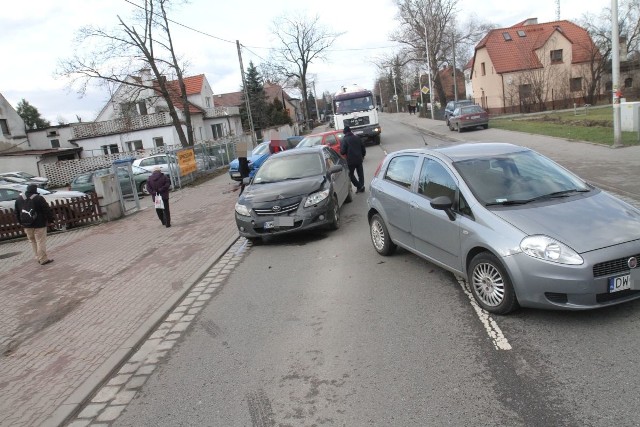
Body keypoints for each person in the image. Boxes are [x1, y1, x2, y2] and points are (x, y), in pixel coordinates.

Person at [14, 184, 55, 265]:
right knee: (40, 241)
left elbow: (16, 213)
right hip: (39, 224)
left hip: (26, 225)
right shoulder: (39, 198)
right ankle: (43, 259)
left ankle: (37, 257)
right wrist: (51, 219)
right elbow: (46, 210)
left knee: (32, 241)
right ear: (35, 190)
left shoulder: (18, 199)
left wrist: (21, 223)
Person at [340, 126, 367, 193]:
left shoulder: (344, 140)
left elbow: (342, 152)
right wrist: (363, 155)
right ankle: (361, 186)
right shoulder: (357, 137)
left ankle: (359, 186)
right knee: (360, 174)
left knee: (350, 174)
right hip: (359, 159)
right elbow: (363, 147)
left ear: (345, 132)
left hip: (351, 161)